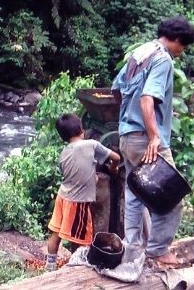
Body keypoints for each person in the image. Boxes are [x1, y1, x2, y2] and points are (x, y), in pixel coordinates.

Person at [111, 15, 194, 266]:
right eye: (184, 45)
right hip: (145, 140)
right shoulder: (162, 59)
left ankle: (132, 248)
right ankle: (158, 250)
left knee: (135, 192)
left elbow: (116, 90)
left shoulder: (139, 53)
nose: (182, 51)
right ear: (177, 40)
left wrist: (128, 119)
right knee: (172, 195)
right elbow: (147, 99)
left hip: (127, 136)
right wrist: (154, 136)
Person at [45, 113, 120, 270]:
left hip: (62, 197)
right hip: (78, 202)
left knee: (56, 234)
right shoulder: (91, 144)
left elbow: (73, 173)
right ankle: (79, 270)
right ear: (82, 129)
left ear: (62, 137)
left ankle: (50, 266)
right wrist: (113, 169)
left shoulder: (64, 153)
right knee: (83, 240)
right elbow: (117, 158)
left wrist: (91, 177)